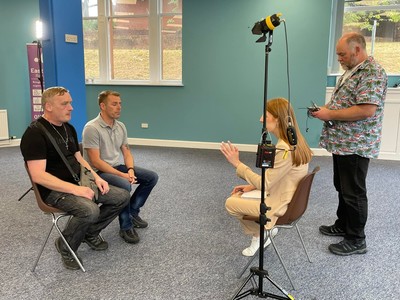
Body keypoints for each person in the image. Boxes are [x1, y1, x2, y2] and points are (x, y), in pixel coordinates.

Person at [20, 87, 130, 270]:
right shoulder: (34, 134)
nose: (70, 108)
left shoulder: (68, 128)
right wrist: (76, 189)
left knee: (122, 196)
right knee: (90, 210)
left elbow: (79, 160)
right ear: (48, 106)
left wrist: (96, 178)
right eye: (64, 104)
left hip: (78, 182)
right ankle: (66, 246)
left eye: (70, 103)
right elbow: (38, 175)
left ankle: (89, 233)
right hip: (54, 191)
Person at [311, 32, 387, 256]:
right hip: (342, 142)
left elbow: (366, 109)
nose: (340, 59)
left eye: (343, 54)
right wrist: (325, 111)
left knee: (353, 191)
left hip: (356, 144)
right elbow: (345, 102)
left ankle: (356, 239)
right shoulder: (351, 71)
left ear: (357, 50)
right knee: (341, 186)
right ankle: (343, 224)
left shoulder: (372, 72)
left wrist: (330, 113)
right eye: (338, 55)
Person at [221, 98, 313, 256]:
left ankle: (260, 235)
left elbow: (266, 184)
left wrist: (237, 163)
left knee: (231, 203)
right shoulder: (295, 140)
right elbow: (278, 177)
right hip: (288, 196)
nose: (261, 119)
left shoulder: (284, 148)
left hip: (280, 205)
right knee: (242, 194)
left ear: (277, 119)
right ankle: (263, 233)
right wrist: (253, 186)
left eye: (265, 115)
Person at [82, 90, 158, 244]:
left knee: (151, 177)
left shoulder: (120, 126)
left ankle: (132, 212)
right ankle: (126, 226)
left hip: (116, 167)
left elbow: (127, 152)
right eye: (114, 104)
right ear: (103, 106)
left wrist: (129, 170)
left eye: (120, 104)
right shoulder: (92, 128)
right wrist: (123, 176)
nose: (119, 107)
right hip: (97, 172)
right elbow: (95, 162)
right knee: (124, 186)